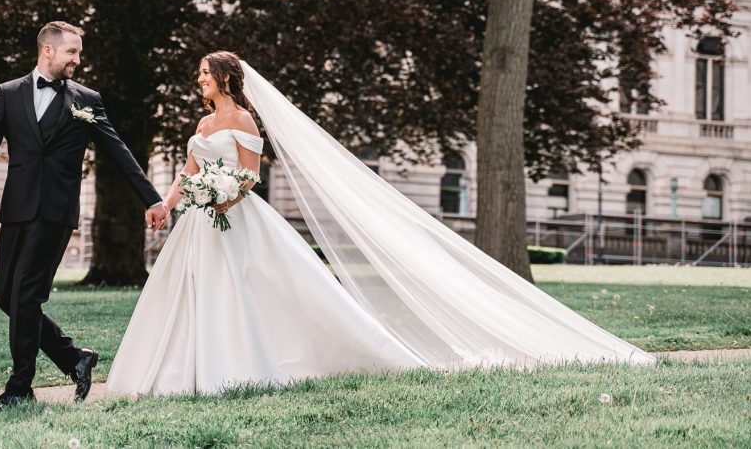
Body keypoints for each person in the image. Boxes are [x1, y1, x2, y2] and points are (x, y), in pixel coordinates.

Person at [106, 51, 653, 396]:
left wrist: (227, 197)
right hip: (201, 223)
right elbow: (190, 169)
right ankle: (184, 373)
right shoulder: (203, 122)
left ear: (226, 78)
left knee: (256, 291)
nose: (198, 79)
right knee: (190, 293)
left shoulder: (244, 119)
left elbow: (248, 175)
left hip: (237, 218)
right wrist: (170, 203)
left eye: (204, 73)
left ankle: (251, 365)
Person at [0, 21, 168, 412]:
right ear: (48, 51)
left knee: (25, 295)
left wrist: (151, 199)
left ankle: (19, 389)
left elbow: (118, 150)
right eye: (72, 52)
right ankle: (75, 358)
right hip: (16, 209)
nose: (77, 59)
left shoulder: (86, 99)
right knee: (8, 296)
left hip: (55, 212)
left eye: (79, 53)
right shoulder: (8, 93)